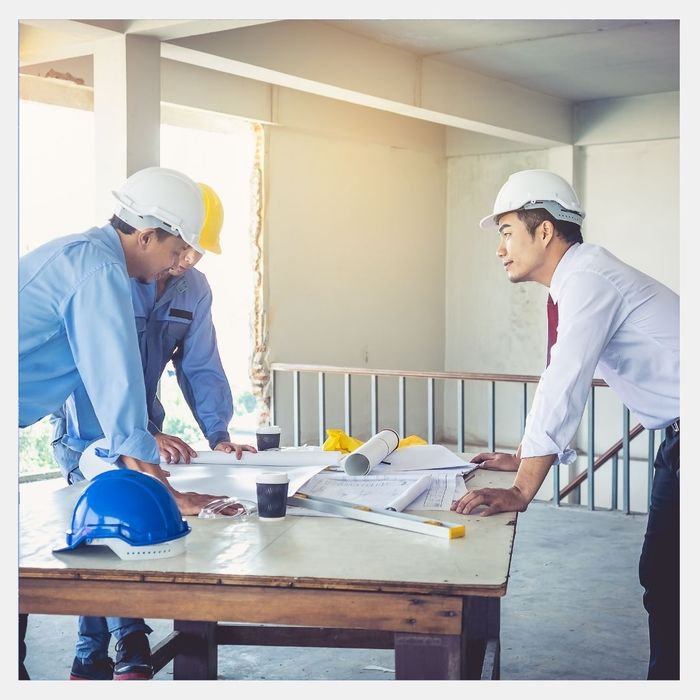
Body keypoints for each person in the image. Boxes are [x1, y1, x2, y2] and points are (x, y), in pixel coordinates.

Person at [451, 169, 680, 680]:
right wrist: (523, 454)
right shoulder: (578, 280)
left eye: (508, 231)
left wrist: (522, 487)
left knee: (670, 579)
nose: (500, 248)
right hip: (680, 440)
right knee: (666, 578)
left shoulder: (588, 279)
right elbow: (560, 376)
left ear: (546, 231)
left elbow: (565, 380)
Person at [18, 167, 241, 680]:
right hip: (83, 433)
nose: (181, 263)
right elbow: (115, 384)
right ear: (146, 235)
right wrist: (165, 493)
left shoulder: (93, 261)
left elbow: (149, 382)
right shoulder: (97, 272)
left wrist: (216, 433)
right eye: (177, 249)